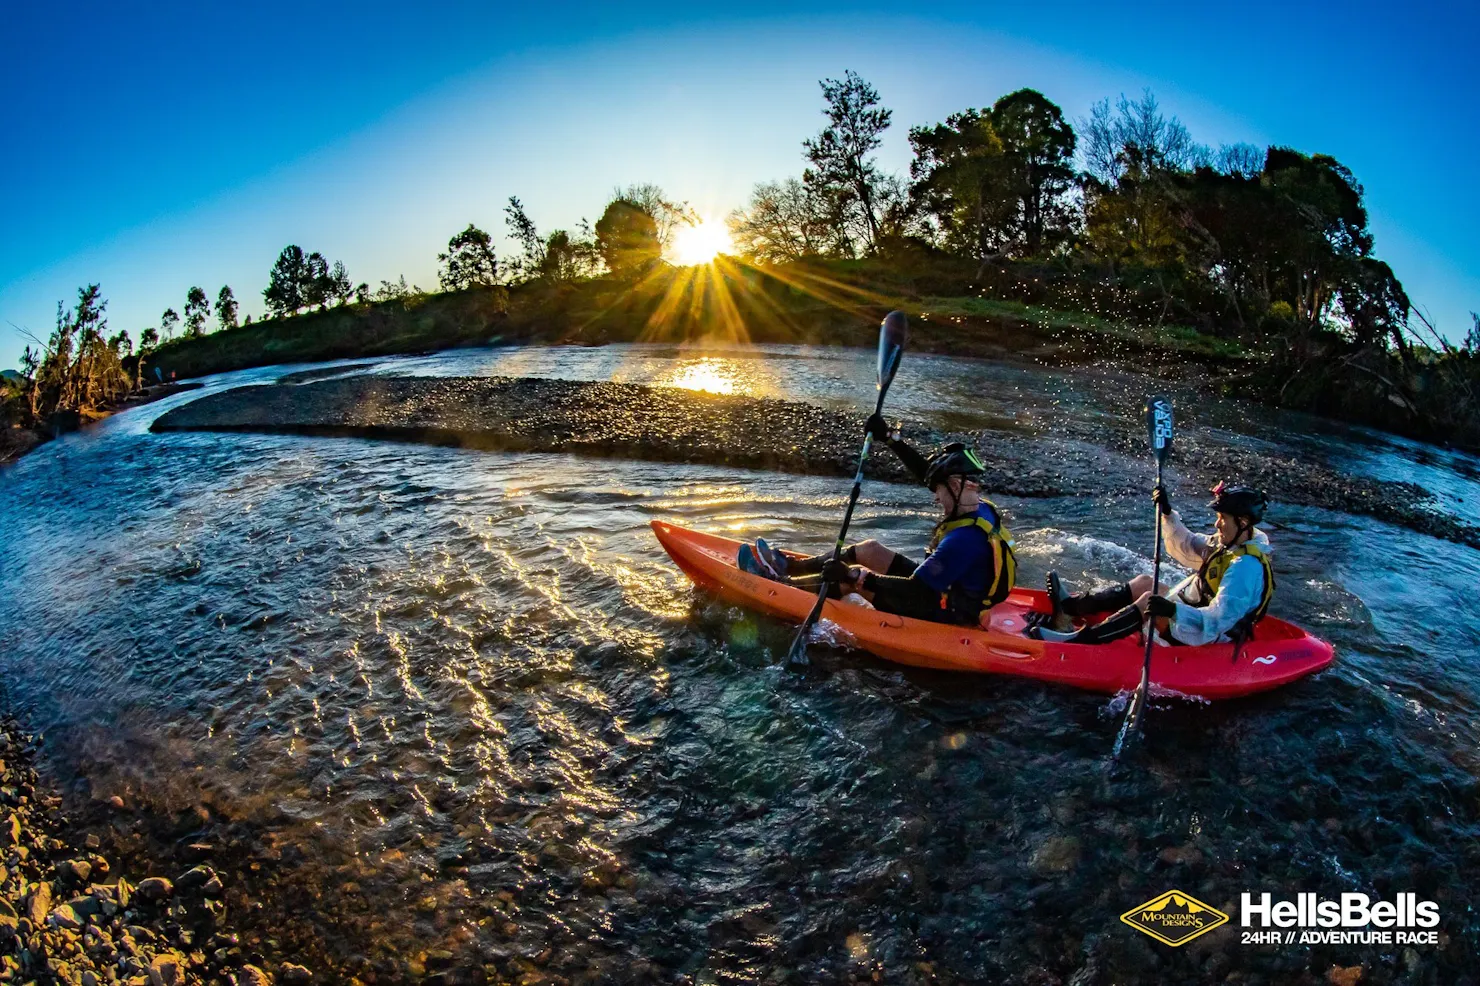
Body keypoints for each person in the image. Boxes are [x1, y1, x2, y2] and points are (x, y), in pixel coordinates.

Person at [738, 414, 1016, 627]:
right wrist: (890, 439)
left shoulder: (963, 540)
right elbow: (927, 475)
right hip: (946, 587)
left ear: (956, 485)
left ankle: (779, 586)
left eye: (939, 492)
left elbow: (917, 592)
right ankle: (792, 567)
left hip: (947, 610)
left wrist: (851, 575)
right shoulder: (979, 507)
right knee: (869, 549)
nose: (935, 499)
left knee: (855, 579)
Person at [1028, 481, 1274, 648]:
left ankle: (1078, 642)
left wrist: (1173, 611)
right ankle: (1070, 607)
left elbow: (1220, 618)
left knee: (1149, 601)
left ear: (1242, 522)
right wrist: (1167, 513)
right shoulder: (1228, 544)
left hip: (1209, 633)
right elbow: (1187, 544)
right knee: (1147, 582)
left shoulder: (1245, 568)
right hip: (1196, 612)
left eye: (1222, 519)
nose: (1216, 525)